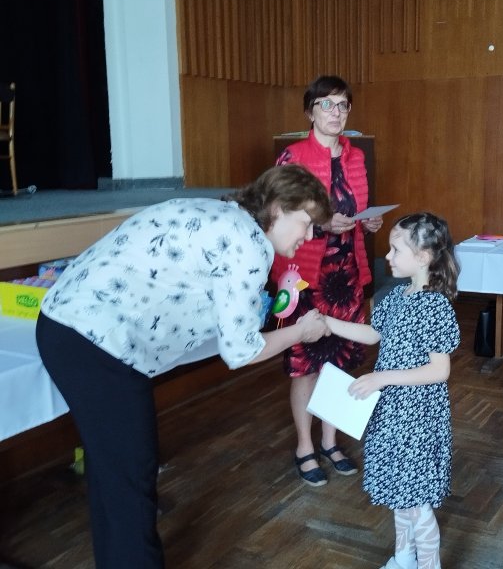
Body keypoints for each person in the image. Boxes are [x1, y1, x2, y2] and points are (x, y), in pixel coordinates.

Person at [35, 164, 333, 569]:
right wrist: (301, 331)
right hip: (96, 342)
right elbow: (241, 352)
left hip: (65, 323)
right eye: (307, 223)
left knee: (115, 474)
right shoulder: (249, 244)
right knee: (131, 478)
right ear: (279, 208)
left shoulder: (223, 214)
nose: (310, 236)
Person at [324, 212, 461, 569]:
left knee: (417, 504)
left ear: (423, 257)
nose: (387, 256)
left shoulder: (434, 306)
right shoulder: (397, 296)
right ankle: (403, 559)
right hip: (392, 415)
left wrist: (382, 378)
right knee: (401, 494)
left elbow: (439, 370)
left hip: (417, 418)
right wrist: (328, 323)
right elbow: (373, 334)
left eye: (396, 249)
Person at [271, 75, 383, 486]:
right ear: (310, 112)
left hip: (345, 274)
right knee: (305, 364)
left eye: (342, 105)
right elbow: (278, 219)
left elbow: (356, 210)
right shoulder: (293, 156)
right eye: (326, 104)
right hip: (305, 275)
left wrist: (368, 223)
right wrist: (322, 226)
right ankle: (305, 446)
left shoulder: (356, 156)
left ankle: (331, 441)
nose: (336, 112)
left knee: (339, 362)